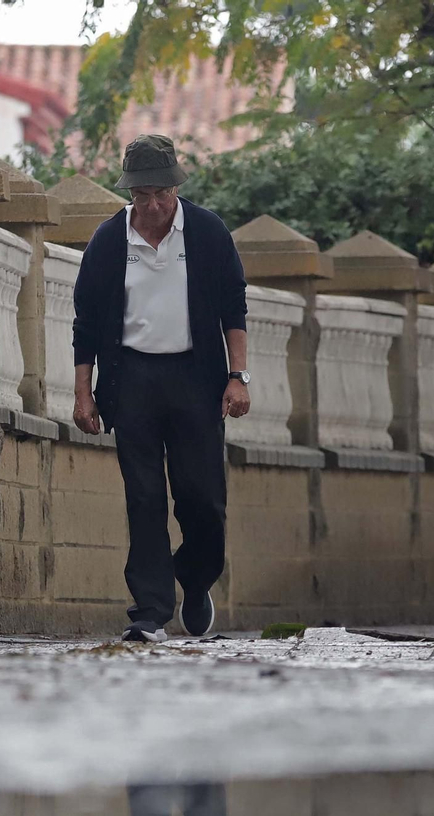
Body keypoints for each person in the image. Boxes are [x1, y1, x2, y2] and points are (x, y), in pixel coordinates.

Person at [71, 134, 251, 643]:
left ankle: (194, 579)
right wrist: (84, 393)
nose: (153, 206)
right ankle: (150, 611)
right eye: (142, 195)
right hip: (131, 381)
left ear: (176, 188)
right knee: (144, 496)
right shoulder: (109, 240)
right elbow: (86, 322)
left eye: (162, 194)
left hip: (196, 378)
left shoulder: (207, 232)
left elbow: (233, 306)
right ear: (130, 192)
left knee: (203, 499)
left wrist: (237, 376)